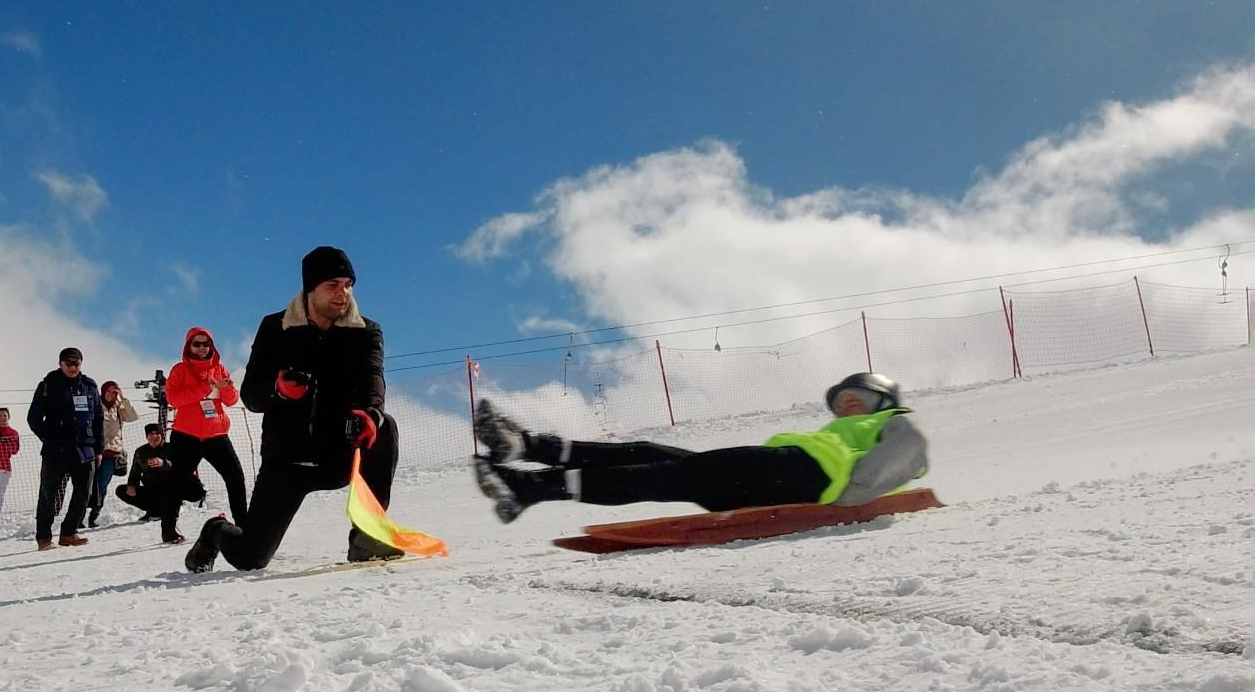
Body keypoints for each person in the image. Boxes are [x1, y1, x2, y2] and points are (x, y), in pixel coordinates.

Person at [185, 246, 401, 572]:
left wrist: (370, 414)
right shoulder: (275, 328)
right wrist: (278, 389)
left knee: (384, 427)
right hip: (287, 461)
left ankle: (368, 537)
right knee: (250, 558)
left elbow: (373, 379)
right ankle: (215, 532)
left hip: (340, 453)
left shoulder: (366, 332)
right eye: (332, 285)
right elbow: (251, 396)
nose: (342, 294)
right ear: (310, 289)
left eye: (348, 284)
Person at [471, 372, 929, 523]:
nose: (848, 401)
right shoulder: (844, 433)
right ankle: (525, 445)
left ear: (884, 401)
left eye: (860, 396)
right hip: (779, 476)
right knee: (645, 454)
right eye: (841, 398)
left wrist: (846, 499)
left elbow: (907, 455)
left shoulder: (894, 423)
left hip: (806, 477)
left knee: (667, 476)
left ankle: (530, 487)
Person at [159, 326, 247, 545]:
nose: (201, 348)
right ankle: (168, 529)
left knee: (236, 477)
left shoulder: (220, 369)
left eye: (205, 343)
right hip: (186, 435)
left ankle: (244, 524)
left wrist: (224, 387)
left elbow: (232, 400)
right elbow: (173, 399)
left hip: (215, 434)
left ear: (212, 346)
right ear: (188, 346)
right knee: (177, 482)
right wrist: (203, 390)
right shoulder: (179, 370)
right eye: (196, 343)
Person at [27, 346, 103, 550]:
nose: (72, 367)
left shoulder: (89, 386)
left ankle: (69, 532)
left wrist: (99, 449)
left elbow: (98, 419)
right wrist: (49, 438)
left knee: (84, 493)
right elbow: (33, 418)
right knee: (48, 494)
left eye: (76, 363)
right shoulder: (48, 385)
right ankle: (44, 538)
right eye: (68, 364)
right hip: (56, 450)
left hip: (84, 449)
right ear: (60, 364)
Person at [113, 422, 195, 530]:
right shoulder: (141, 452)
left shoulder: (171, 448)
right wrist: (131, 485)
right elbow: (135, 471)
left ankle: (165, 509)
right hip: (150, 489)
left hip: (170, 489)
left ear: (162, 435)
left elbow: (181, 468)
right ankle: (154, 510)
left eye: (157, 433)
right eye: (151, 434)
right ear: (147, 436)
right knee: (121, 490)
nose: (154, 437)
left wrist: (164, 464)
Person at [87, 381, 139, 527]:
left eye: (114, 392)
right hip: (94, 451)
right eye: (108, 391)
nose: (111, 395)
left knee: (102, 485)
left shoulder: (119, 408)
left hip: (112, 452)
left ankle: (94, 516)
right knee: (88, 484)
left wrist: (123, 399)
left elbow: (133, 417)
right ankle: (80, 516)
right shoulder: (95, 405)